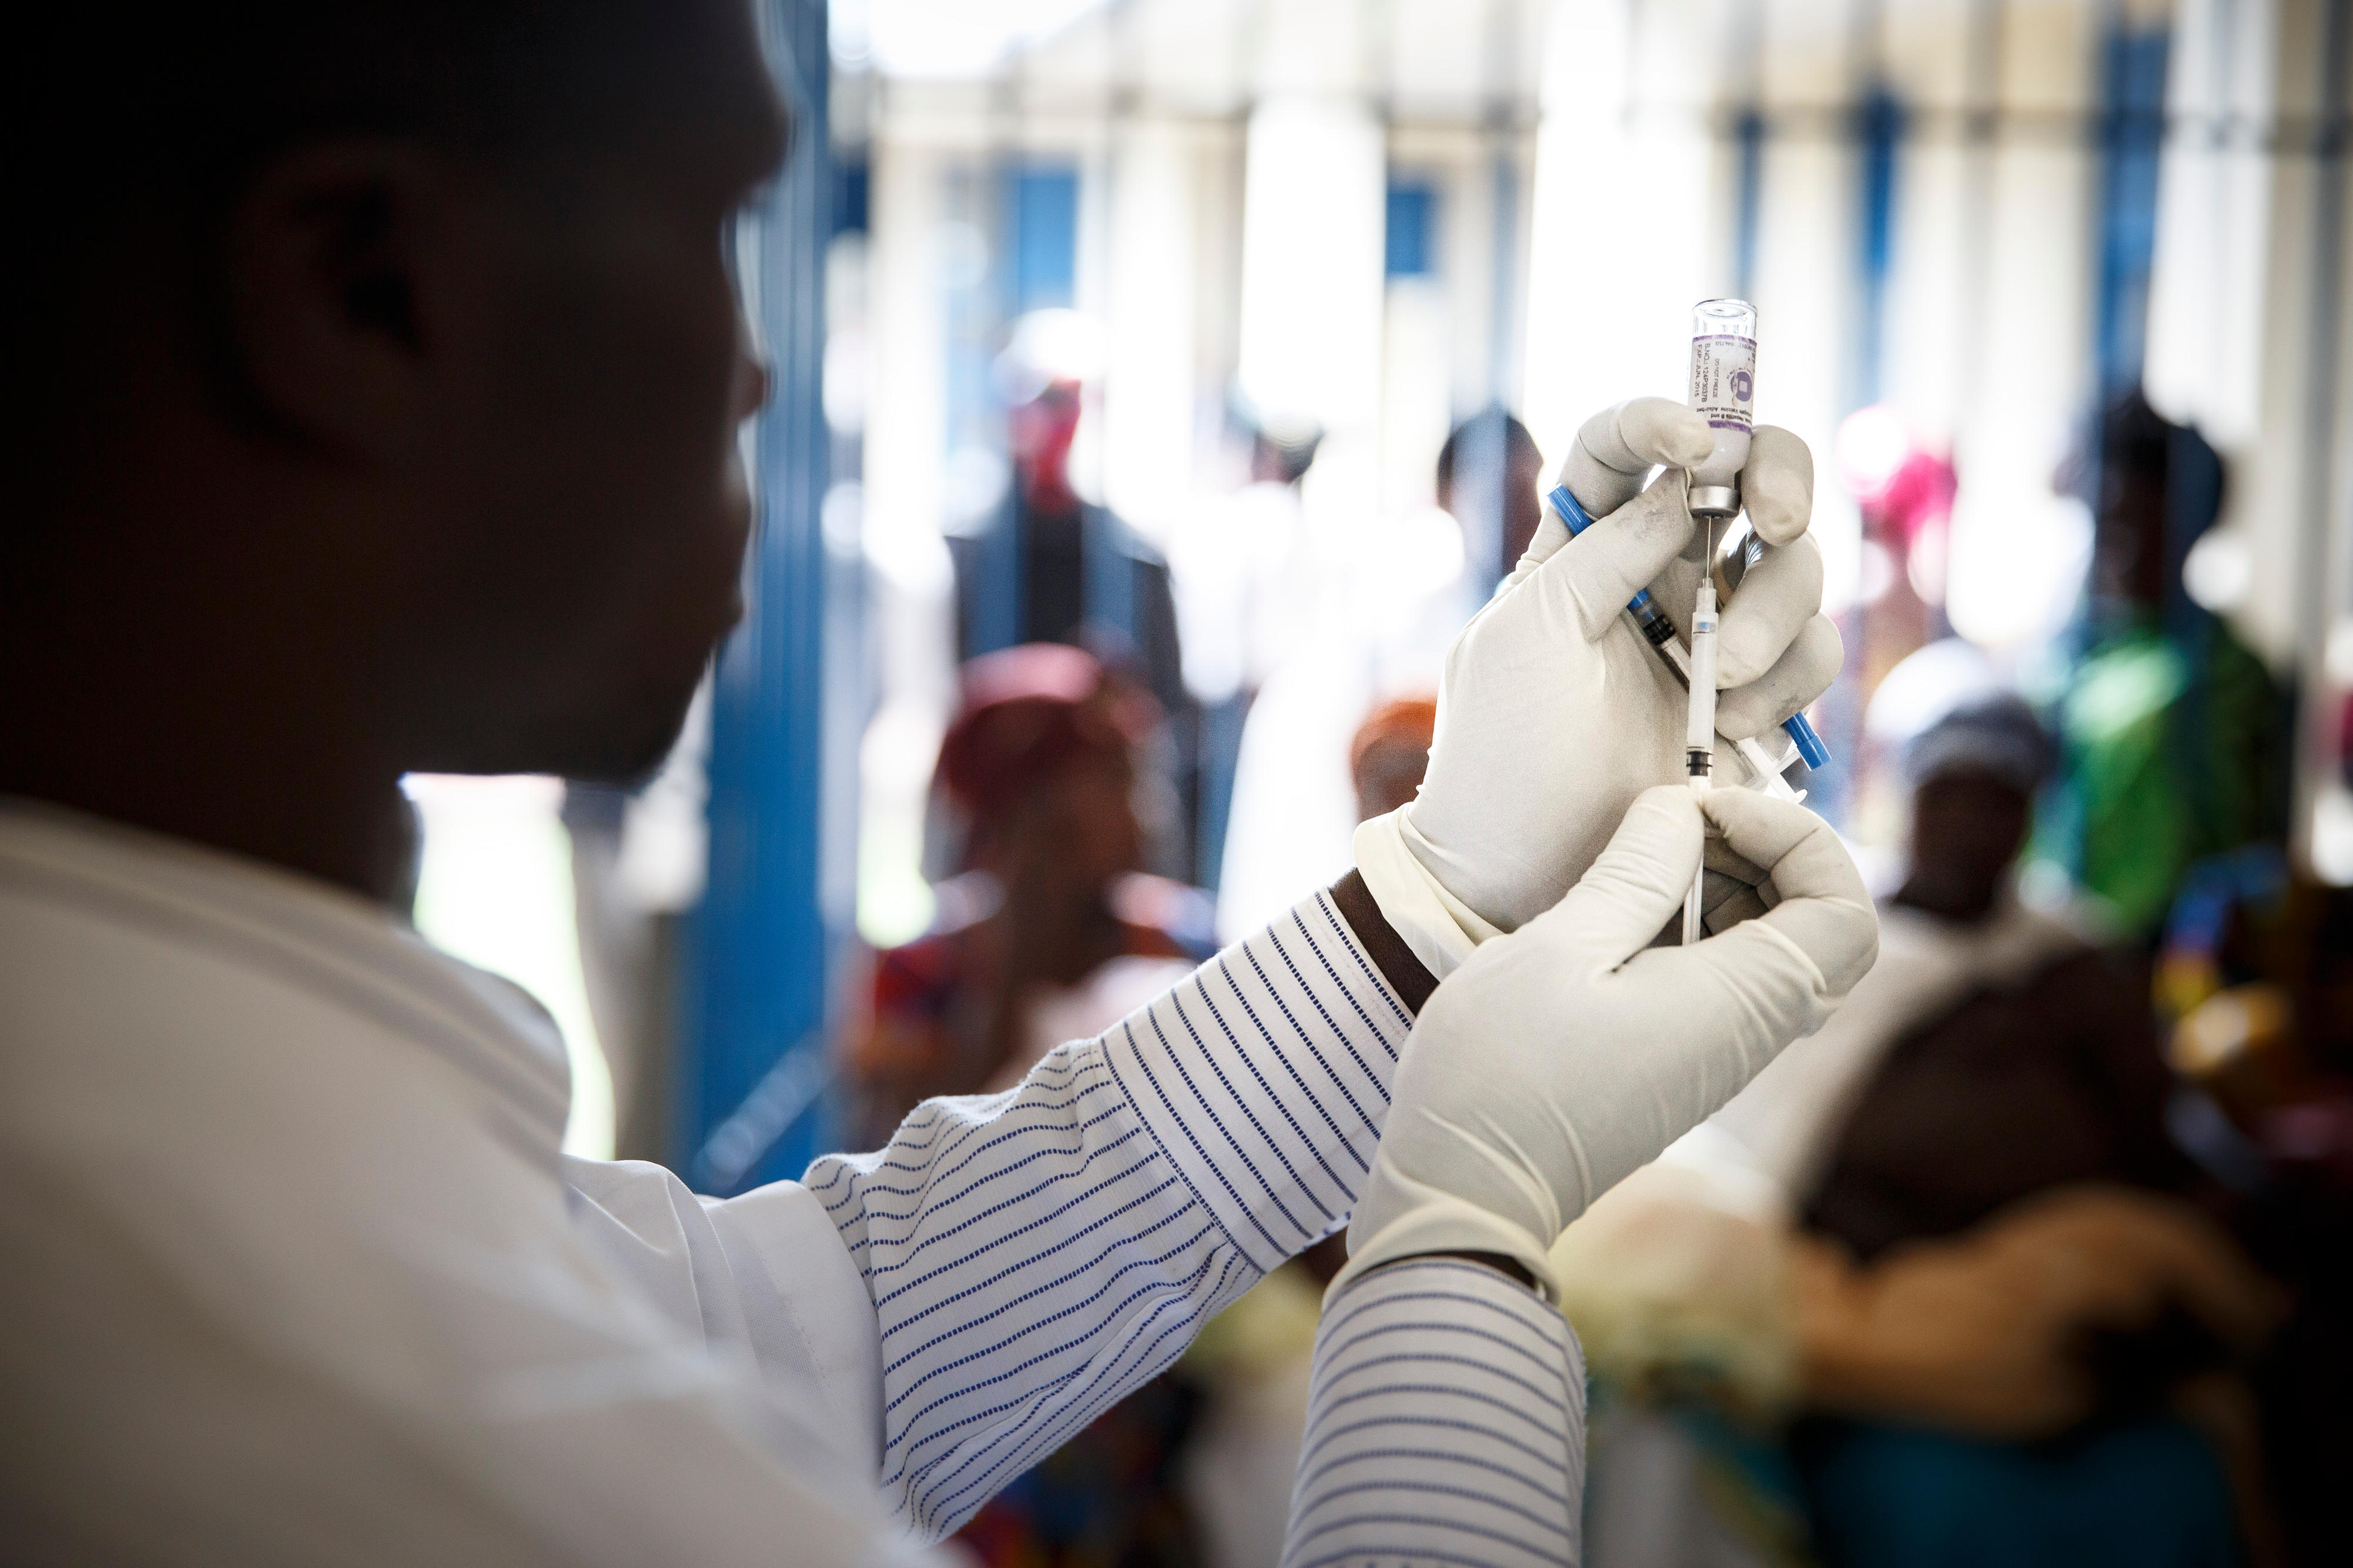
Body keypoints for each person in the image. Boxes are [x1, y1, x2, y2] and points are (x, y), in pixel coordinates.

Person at [0, 8, 1862, 1566]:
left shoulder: (197, 1174)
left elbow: (827, 1337)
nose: (753, 369)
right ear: (364, 294)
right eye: (719, 221)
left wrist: (1439, 903)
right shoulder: (373, 1436)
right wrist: (1464, 1237)